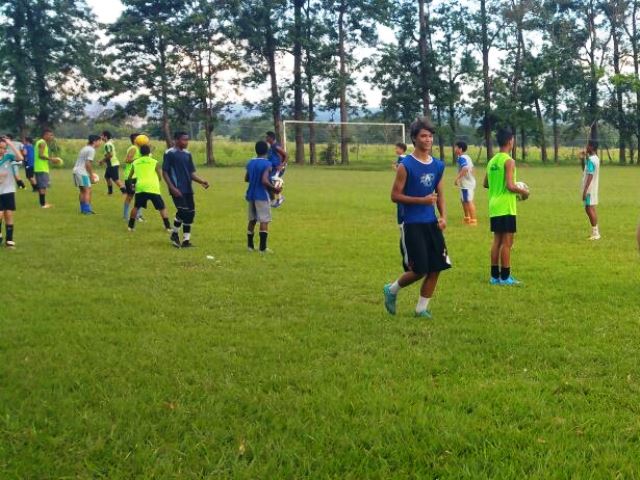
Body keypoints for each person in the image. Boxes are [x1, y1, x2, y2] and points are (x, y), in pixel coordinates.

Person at [383, 117, 451, 319]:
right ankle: (392, 289)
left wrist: (443, 217)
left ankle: (421, 309)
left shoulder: (438, 165)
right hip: (411, 224)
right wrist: (421, 201)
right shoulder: (406, 165)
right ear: (414, 138)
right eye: (423, 136)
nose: (428, 139)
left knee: (437, 267)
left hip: (431, 223)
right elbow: (395, 195)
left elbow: (440, 194)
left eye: (430, 136)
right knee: (419, 269)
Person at [483, 127, 529, 286]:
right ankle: (505, 277)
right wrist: (523, 192)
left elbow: (485, 183)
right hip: (506, 206)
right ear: (510, 141)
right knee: (507, 243)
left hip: (494, 206)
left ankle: (494, 276)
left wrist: (498, 185)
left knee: (497, 241)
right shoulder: (509, 161)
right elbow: (510, 186)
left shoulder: (492, 161)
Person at [162, 131, 210, 248]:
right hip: (177, 189)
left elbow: (191, 173)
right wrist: (172, 187)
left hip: (188, 188)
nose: (186, 142)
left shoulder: (188, 154)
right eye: (184, 139)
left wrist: (201, 181)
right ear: (176, 140)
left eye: (187, 139)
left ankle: (186, 241)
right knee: (183, 211)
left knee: (190, 214)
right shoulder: (169, 153)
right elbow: (165, 172)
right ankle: (174, 234)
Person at [245, 140, 281, 253]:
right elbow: (265, 181)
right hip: (262, 195)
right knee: (264, 221)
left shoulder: (250, 162)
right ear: (267, 151)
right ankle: (263, 248)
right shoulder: (267, 164)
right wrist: (275, 189)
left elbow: (246, 178)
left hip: (251, 194)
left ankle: (250, 246)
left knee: (252, 220)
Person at [126, 144, 171, 233]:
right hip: (153, 187)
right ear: (149, 152)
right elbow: (159, 176)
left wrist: (132, 185)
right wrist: (157, 180)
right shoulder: (154, 162)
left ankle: (130, 227)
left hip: (140, 187)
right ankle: (168, 227)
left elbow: (130, 176)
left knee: (136, 207)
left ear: (140, 153)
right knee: (162, 208)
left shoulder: (135, 162)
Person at [0, 137, 26, 248]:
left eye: (4, 148)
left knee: (9, 214)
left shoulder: (9, 157)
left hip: (8, 190)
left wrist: (11, 144)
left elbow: (20, 158)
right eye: (0, 148)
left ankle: (9, 240)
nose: (2, 150)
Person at [72, 134, 102, 214]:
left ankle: (84, 209)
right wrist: (91, 175)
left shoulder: (85, 148)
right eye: (99, 141)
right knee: (88, 190)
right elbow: (88, 164)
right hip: (82, 172)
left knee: (83, 190)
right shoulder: (91, 150)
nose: (100, 143)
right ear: (95, 141)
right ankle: (86, 210)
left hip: (76, 171)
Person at [34, 128, 63, 208]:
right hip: (41, 168)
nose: (52, 137)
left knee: (43, 186)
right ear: (45, 135)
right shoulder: (42, 143)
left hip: (41, 168)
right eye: (50, 135)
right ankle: (43, 204)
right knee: (42, 186)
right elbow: (41, 155)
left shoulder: (41, 142)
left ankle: (44, 203)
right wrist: (52, 159)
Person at [580, 140, 601, 240]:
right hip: (593, 188)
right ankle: (595, 232)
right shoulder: (595, 158)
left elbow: (590, 176)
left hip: (589, 188)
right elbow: (585, 170)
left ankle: (596, 233)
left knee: (589, 208)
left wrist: (585, 190)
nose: (586, 147)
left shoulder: (591, 160)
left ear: (592, 147)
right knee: (590, 208)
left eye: (587, 146)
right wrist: (582, 159)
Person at [453, 141, 477, 225]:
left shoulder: (462, 158)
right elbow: (472, 168)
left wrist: (457, 178)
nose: (454, 149)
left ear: (460, 149)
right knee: (463, 200)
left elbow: (465, 168)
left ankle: (473, 220)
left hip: (467, 184)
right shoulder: (467, 157)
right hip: (467, 182)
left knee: (468, 200)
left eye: (456, 147)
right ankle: (467, 218)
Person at [265, 131, 288, 208]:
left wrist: (282, 164)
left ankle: (279, 197)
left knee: (272, 179)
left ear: (271, 138)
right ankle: (276, 199)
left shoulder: (276, 147)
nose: (266, 138)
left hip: (278, 168)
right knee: (268, 182)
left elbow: (286, 155)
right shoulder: (271, 147)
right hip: (273, 168)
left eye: (267, 137)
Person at [100, 131, 126, 196]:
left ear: (105, 137)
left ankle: (125, 191)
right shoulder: (109, 143)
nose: (101, 137)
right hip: (111, 164)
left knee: (116, 179)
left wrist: (102, 161)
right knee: (107, 177)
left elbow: (110, 155)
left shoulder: (107, 144)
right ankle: (110, 192)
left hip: (112, 164)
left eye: (102, 135)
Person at [123, 133, 142, 220]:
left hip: (136, 175)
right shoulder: (133, 148)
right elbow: (127, 160)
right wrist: (140, 160)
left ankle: (138, 216)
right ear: (135, 140)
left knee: (139, 195)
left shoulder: (138, 149)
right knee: (130, 196)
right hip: (130, 176)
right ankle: (126, 216)